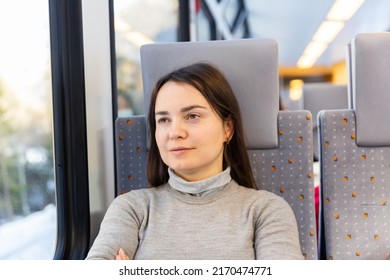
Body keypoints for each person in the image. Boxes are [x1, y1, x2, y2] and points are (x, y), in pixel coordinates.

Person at [86, 63, 303, 260]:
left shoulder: (266, 211)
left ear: (227, 128)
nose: (175, 132)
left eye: (192, 116)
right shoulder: (132, 208)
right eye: (163, 119)